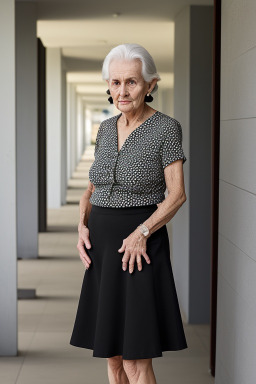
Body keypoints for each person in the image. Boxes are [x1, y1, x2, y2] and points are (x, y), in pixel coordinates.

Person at [70, 43, 188, 384]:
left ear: (150, 85)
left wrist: (143, 233)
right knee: (113, 358)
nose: (122, 90)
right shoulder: (105, 130)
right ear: (108, 85)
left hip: (139, 249)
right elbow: (93, 187)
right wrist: (81, 225)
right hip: (102, 250)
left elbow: (177, 194)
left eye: (132, 82)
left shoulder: (166, 128)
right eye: (115, 82)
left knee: (137, 363)